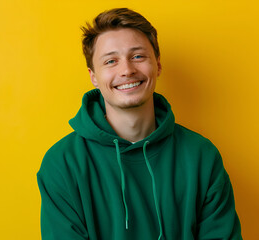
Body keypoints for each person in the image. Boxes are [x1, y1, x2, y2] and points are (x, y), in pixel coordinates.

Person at [36, 8, 242, 240]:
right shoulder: (62, 163)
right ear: (94, 76)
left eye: (137, 56)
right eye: (111, 61)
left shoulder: (202, 156)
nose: (127, 70)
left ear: (158, 64)